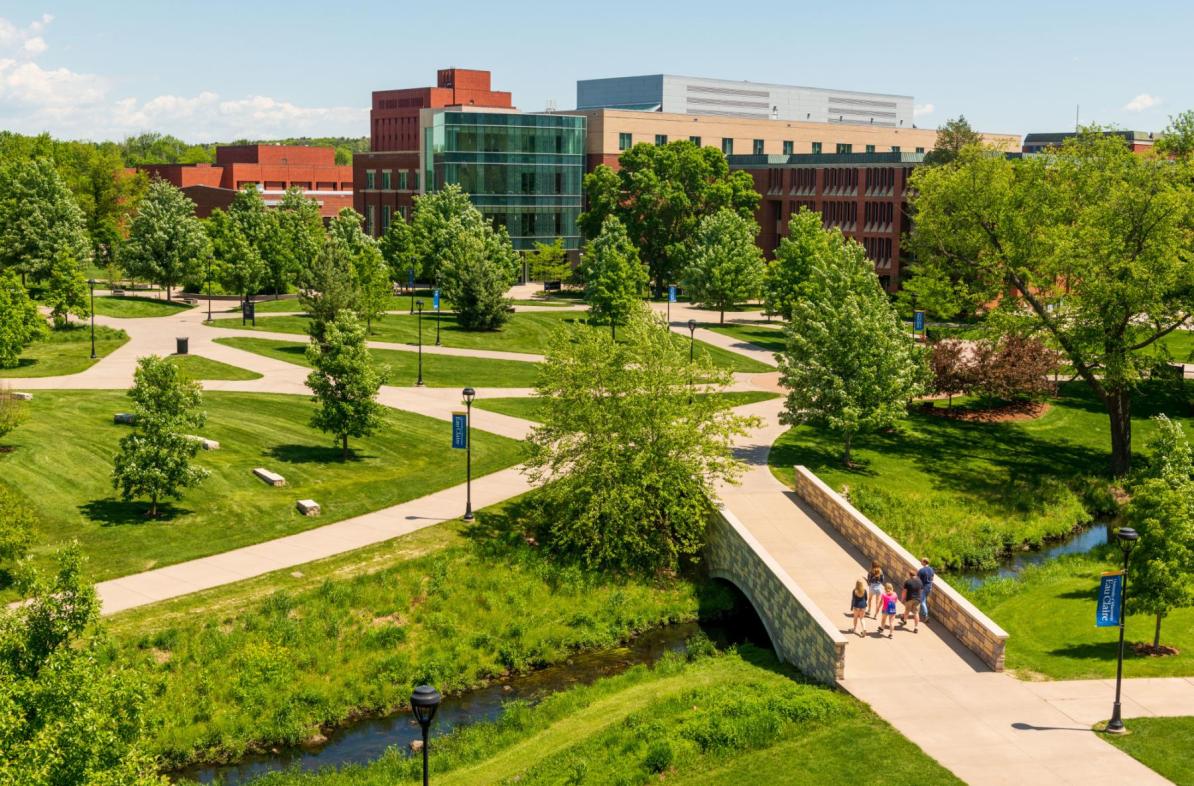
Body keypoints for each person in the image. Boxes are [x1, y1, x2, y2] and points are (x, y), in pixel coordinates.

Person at [917, 558, 936, 623]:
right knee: (924, 600)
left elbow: (918, 580)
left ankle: (926, 616)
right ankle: (922, 613)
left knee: (922, 601)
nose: (921, 562)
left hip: (923, 587)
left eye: (921, 561)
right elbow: (932, 578)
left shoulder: (921, 570)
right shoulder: (931, 569)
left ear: (924, 562)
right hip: (929, 587)